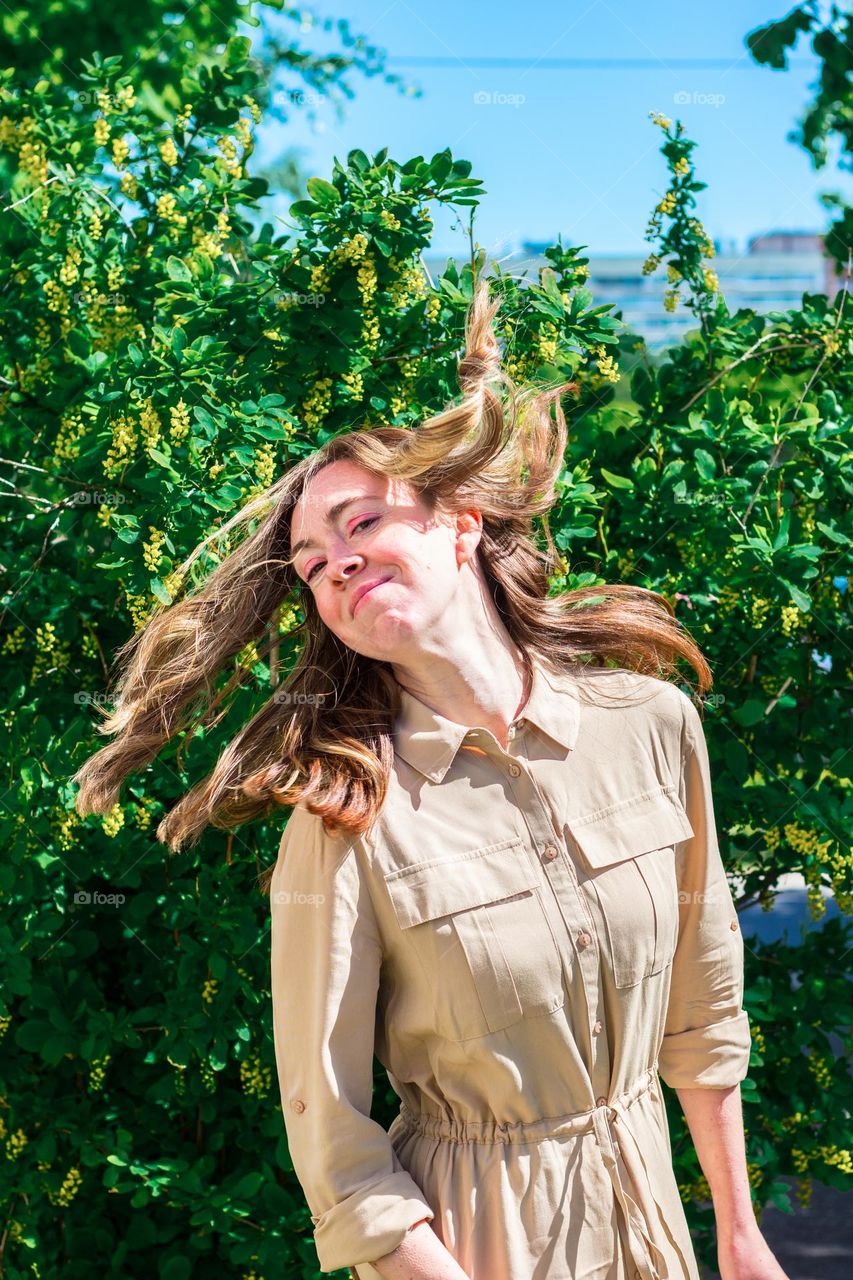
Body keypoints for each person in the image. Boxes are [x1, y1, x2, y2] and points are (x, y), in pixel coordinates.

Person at [74, 279, 789, 1280]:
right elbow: (333, 1142)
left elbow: (704, 1009)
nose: (335, 564)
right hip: (471, 1247)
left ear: (459, 522)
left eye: (360, 523)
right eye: (311, 563)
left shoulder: (650, 725)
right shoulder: (346, 815)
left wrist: (740, 1234)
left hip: (652, 1227)